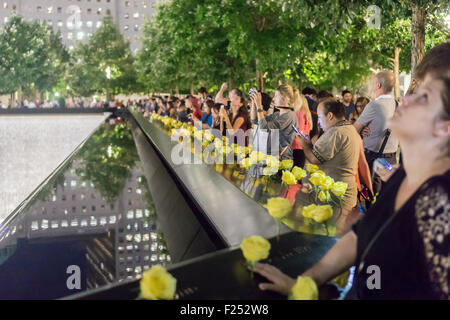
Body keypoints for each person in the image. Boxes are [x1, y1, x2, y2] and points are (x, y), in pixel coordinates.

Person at [253, 56, 450, 300]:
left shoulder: (442, 204)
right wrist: (304, 282)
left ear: (444, 127)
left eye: (423, 96)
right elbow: (360, 237)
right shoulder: (405, 176)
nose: (405, 99)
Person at [297, 98, 364, 212]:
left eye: (319, 117)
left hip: (336, 199)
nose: (318, 121)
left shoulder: (336, 132)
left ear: (330, 116)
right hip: (340, 196)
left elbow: (314, 159)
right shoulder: (348, 128)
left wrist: (304, 144)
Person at [354, 70, 399, 194]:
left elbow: (354, 130)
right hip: (391, 160)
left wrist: (361, 129)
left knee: (373, 198)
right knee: (387, 198)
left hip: (375, 160)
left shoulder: (374, 105)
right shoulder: (397, 104)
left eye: (373, 83)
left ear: (378, 85)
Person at [250, 84, 300, 160]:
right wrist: (254, 101)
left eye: (276, 96)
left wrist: (259, 105)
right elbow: (255, 120)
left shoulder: (288, 116)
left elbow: (264, 128)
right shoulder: (277, 114)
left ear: (285, 99)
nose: (273, 99)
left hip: (281, 160)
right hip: (273, 158)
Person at [291, 94, 313, 168]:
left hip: (295, 145)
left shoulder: (299, 113)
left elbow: (298, 129)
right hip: (303, 146)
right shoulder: (307, 114)